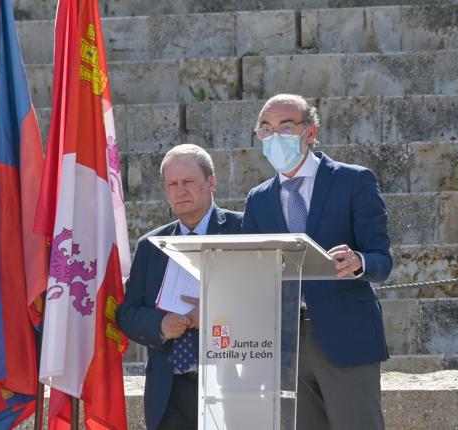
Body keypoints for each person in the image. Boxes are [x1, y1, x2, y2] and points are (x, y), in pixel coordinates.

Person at [242, 94, 392, 429]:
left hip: (346, 338)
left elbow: (381, 258)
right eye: (266, 129)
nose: (274, 136)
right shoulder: (258, 200)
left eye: (286, 127)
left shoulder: (354, 181)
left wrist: (358, 261)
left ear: (310, 132)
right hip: (285, 346)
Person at [116, 144, 243, 430]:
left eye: (188, 181)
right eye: (172, 184)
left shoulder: (244, 230)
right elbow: (128, 312)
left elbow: (265, 299)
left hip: (230, 385)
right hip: (168, 390)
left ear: (211, 182)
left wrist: (213, 312)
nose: (180, 190)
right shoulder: (151, 245)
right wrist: (161, 324)